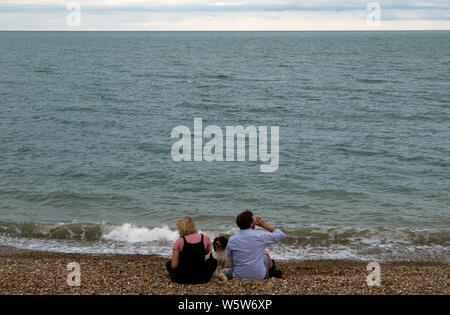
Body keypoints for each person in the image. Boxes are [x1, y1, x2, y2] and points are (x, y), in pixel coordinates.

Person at [220, 210, 286, 281]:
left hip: (238, 276)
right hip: (260, 277)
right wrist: (264, 225)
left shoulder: (232, 239)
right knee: (265, 254)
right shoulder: (260, 235)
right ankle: (271, 272)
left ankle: (226, 278)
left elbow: (231, 260)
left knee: (222, 271)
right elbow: (281, 235)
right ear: (251, 223)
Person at [166, 216, 217, 284]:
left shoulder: (179, 241)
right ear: (193, 226)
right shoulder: (205, 238)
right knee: (213, 261)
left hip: (181, 278)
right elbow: (208, 253)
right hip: (202, 277)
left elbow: (174, 265)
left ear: (181, 228)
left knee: (169, 264)